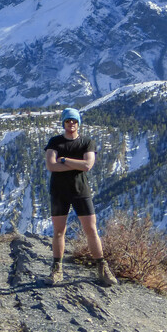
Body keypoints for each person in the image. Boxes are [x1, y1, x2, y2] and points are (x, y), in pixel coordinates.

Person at [43, 108, 118, 287]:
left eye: (74, 121)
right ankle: (57, 268)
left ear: (78, 123)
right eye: (68, 121)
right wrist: (75, 164)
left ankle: (102, 266)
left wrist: (64, 160)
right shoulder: (55, 142)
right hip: (59, 192)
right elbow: (51, 166)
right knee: (59, 231)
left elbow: (87, 165)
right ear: (63, 123)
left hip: (81, 190)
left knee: (91, 229)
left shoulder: (87, 142)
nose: (71, 124)